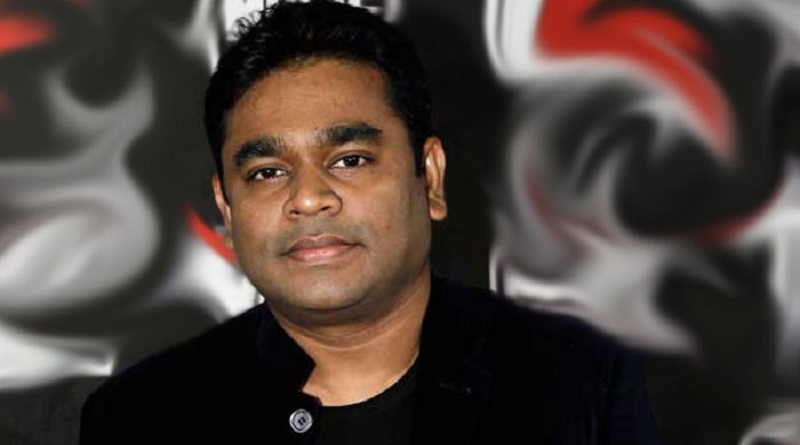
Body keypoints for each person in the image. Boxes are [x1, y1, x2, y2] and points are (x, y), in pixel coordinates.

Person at [79, 1, 661, 443]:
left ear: (429, 177)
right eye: (267, 172)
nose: (309, 199)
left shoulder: (576, 383)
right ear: (227, 210)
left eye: (349, 160)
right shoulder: (140, 418)